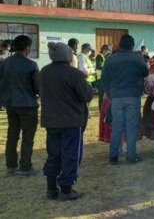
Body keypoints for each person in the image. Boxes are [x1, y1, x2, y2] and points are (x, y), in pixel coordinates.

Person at [40, 42, 93, 200]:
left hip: (51, 121)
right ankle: (66, 188)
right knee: (71, 154)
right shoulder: (73, 73)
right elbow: (87, 96)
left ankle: (51, 188)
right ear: (67, 56)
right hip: (71, 121)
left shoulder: (44, 71)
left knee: (53, 154)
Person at [102, 34, 149, 165]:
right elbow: (145, 73)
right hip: (133, 97)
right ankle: (131, 156)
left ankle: (113, 157)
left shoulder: (110, 59)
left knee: (116, 127)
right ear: (132, 46)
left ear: (119, 45)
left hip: (116, 97)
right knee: (131, 127)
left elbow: (104, 79)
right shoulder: (137, 59)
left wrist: (110, 94)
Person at [0, 35, 40, 176]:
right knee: (27, 136)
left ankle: (11, 165)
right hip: (28, 104)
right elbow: (37, 87)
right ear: (27, 48)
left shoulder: (4, 63)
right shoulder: (31, 65)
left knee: (12, 134)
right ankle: (25, 167)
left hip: (11, 103)